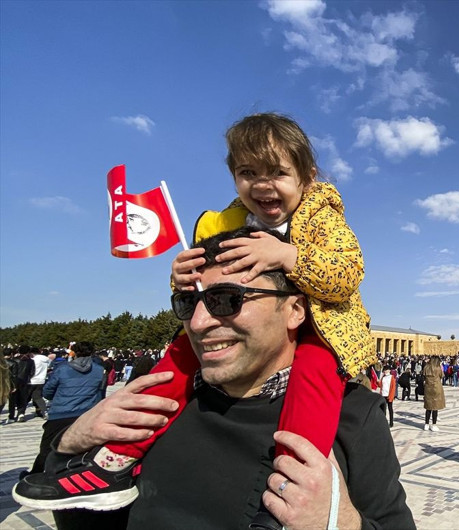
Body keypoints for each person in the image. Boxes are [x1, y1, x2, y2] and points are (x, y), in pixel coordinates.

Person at [14, 113, 377, 527]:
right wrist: (181, 273)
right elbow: (205, 280)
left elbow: (349, 273)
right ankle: (115, 462)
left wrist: (288, 256)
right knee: (175, 364)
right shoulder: (229, 219)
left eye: (277, 172)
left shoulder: (321, 213)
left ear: (307, 177)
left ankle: (286, 491)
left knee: (313, 386)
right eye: (247, 172)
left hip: (320, 327)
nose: (262, 184)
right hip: (251, 322)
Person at [14, 228, 414, 529]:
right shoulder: (154, 408)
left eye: (227, 300)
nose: (200, 322)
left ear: (295, 311)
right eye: (188, 303)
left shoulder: (352, 416)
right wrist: (68, 446)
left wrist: (342, 521)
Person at [22, 341, 106, 476]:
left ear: (74, 352)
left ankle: (35, 475)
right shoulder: (98, 370)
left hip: (60, 414)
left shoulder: (63, 368)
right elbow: (100, 393)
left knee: (47, 448)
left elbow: (48, 391)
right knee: (81, 448)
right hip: (85, 415)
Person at [422, 356, 445, 431]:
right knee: (435, 407)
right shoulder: (438, 368)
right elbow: (442, 376)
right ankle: (434, 425)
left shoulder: (426, 367)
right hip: (436, 388)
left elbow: (423, 376)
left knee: (428, 407)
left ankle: (426, 424)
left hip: (428, 388)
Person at [28, 348, 51, 419]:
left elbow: (31, 370)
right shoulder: (47, 360)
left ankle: (20, 413)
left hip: (32, 380)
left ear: (32, 353)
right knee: (37, 397)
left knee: (26, 397)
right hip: (41, 380)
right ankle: (43, 411)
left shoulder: (33, 360)